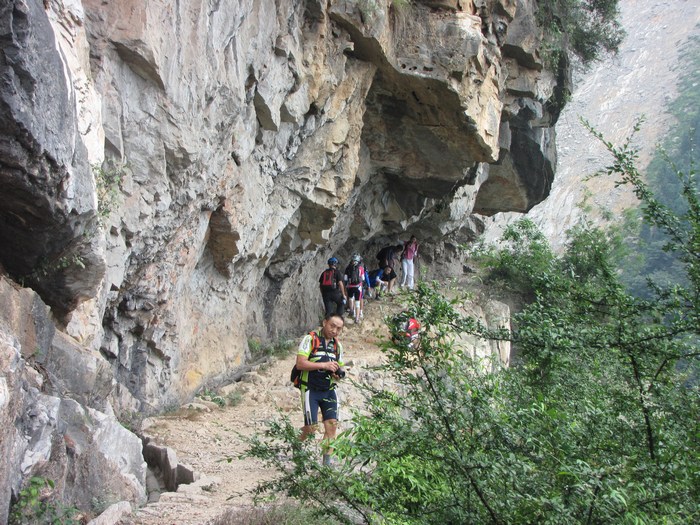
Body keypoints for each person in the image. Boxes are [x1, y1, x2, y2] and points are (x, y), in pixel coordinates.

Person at [296, 314, 346, 466]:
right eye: (332, 326)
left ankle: (326, 465)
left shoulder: (337, 346)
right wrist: (324, 365)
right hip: (310, 389)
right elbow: (300, 363)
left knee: (332, 425)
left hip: (329, 389)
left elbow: (340, 368)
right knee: (311, 428)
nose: (334, 330)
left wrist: (337, 374)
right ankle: (296, 443)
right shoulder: (310, 339)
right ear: (325, 323)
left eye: (338, 328)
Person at [344, 253, 369, 324]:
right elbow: (363, 278)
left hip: (350, 287)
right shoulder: (361, 268)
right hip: (358, 287)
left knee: (351, 298)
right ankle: (357, 318)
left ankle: (352, 311)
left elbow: (345, 278)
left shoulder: (348, 268)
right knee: (357, 302)